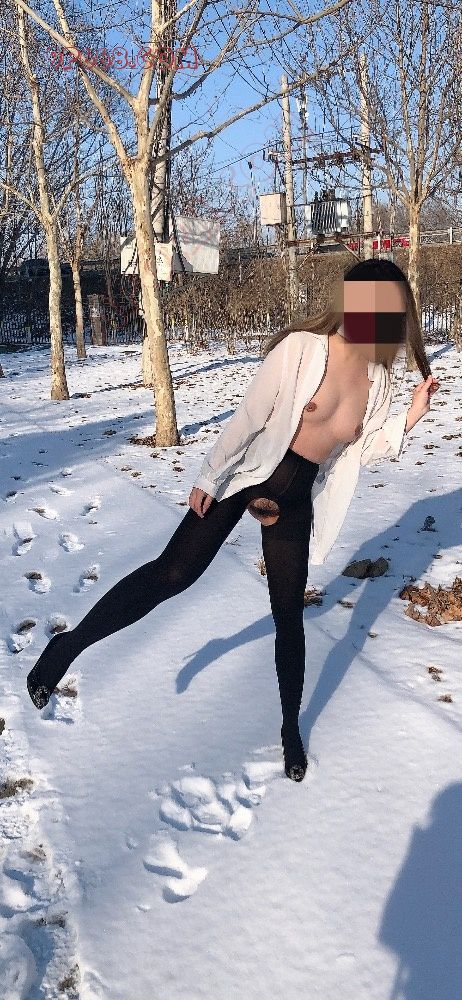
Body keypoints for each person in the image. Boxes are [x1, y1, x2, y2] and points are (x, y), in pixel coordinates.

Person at [26, 258, 440, 782]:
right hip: (247, 476)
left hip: (295, 499)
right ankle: (65, 648)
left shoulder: (379, 380)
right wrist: (210, 475)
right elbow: (250, 416)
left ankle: (289, 729)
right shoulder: (302, 350)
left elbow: (362, 449)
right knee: (172, 574)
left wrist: (412, 415)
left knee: (288, 614)